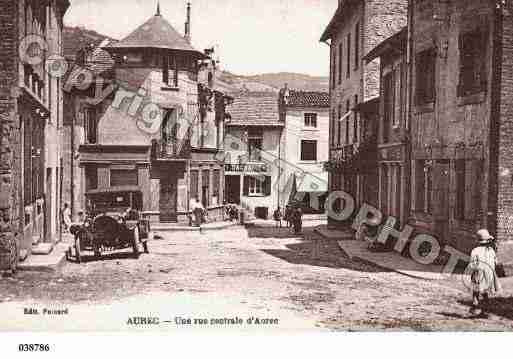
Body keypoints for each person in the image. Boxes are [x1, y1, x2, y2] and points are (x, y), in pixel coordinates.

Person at [467, 229, 502, 317]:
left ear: (478, 241)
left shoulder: (475, 251)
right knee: (485, 290)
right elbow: (496, 263)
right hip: (490, 274)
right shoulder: (491, 250)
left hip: (479, 274)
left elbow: (472, 264)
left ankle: (475, 305)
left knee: (476, 290)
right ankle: (486, 307)